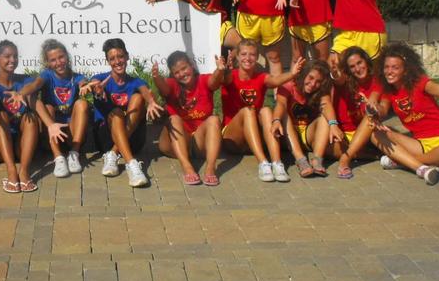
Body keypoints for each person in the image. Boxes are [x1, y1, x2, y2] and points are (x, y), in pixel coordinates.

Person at [371, 42, 439, 185]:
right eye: (386, 67)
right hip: (420, 144)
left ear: (406, 70)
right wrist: (374, 109)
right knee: (376, 134)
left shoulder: (420, 83)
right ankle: (421, 167)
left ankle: (403, 162)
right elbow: (383, 110)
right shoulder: (389, 91)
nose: (389, 71)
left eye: (395, 67)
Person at [220, 39, 305, 182]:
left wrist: (292, 73)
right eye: (244, 54)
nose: (248, 58)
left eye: (252, 55)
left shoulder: (261, 77)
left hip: (255, 137)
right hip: (233, 139)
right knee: (248, 111)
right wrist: (224, 69)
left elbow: (276, 80)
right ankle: (263, 163)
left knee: (266, 110)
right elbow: (224, 78)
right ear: (238, 57)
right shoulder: (231, 76)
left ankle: (277, 163)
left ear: (257, 57)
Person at [88, 38, 165, 187]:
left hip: (133, 139)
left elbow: (144, 90)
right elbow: (93, 84)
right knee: (116, 112)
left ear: (127, 56)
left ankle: (113, 154)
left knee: (138, 97)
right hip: (106, 139)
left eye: (120, 56)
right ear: (107, 61)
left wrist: (150, 101)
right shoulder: (101, 79)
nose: (117, 61)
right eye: (112, 58)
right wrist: (95, 89)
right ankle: (131, 164)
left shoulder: (136, 81)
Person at [13, 39, 91, 178]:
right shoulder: (47, 75)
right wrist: (21, 93)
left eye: (61, 57)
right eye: (53, 60)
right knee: (48, 107)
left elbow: (83, 83)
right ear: (48, 63)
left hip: (72, 134)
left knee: (82, 104)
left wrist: (85, 85)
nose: (58, 62)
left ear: (67, 57)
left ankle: (74, 153)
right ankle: (58, 158)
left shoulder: (76, 77)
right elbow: (35, 85)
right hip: (51, 135)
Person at [153, 52, 227, 186]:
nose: (182, 74)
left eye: (184, 68)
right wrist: (156, 78)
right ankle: (187, 168)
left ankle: (210, 169)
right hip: (174, 144)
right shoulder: (172, 85)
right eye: (177, 72)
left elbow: (214, 81)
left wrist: (220, 70)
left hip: (199, 142)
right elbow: (163, 87)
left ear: (191, 66)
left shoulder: (203, 80)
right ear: (172, 74)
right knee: (174, 118)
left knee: (214, 119)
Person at [0, 41, 39, 193]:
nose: (12, 60)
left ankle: (24, 172)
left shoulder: (25, 80)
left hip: (21, 148)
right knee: (1, 114)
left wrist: (22, 93)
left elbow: (31, 87)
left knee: (30, 118)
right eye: (7, 56)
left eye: (15, 56)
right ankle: (12, 172)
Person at [270, 59, 339, 178]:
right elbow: (281, 104)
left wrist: (333, 124)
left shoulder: (320, 90)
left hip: (308, 134)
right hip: (288, 135)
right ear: (304, 74)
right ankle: (301, 160)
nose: (313, 84)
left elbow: (326, 104)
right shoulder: (288, 85)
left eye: (318, 81)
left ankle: (317, 159)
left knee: (325, 117)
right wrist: (276, 120)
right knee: (284, 114)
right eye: (310, 78)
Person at [327, 46, 383, 179]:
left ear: (366, 61)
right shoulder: (345, 80)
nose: (357, 69)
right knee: (325, 146)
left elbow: (375, 97)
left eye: (359, 63)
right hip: (342, 135)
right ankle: (373, 155)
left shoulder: (377, 80)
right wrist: (335, 72)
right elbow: (338, 78)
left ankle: (345, 159)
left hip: (365, 133)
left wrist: (371, 104)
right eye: (352, 66)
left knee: (371, 117)